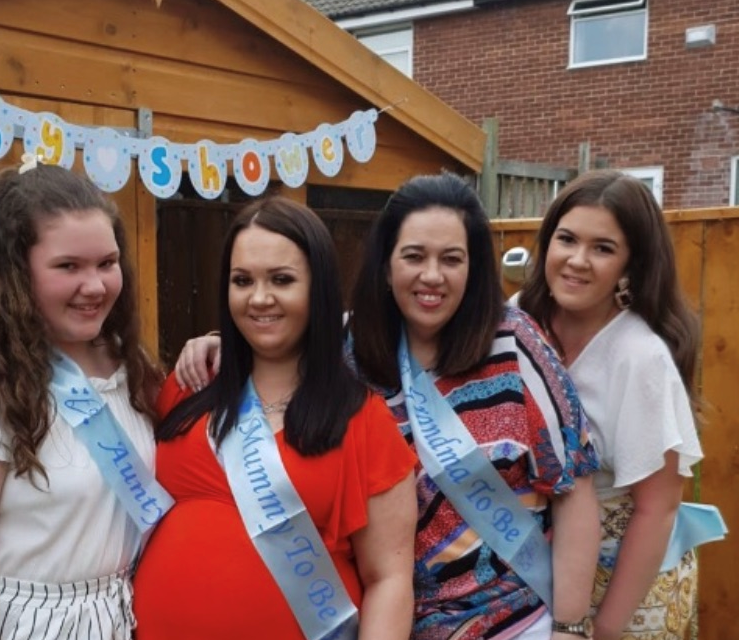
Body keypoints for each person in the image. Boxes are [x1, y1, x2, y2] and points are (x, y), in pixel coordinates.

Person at [174, 174, 601, 640]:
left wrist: (570, 628)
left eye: (451, 259)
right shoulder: (344, 348)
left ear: (475, 268)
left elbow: (573, 490)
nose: (431, 276)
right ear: (385, 264)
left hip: (510, 621)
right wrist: (215, 344)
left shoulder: (518, 347)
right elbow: (273, 337)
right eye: (414, 256)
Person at [0, 161, 165, 640]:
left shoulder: (129, 365)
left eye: (107, 262)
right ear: (15, 273)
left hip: (110, 617)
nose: (96, 286)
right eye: (68, 267)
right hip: (7, 623)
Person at [133, 195, 418, 640]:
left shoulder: (364, 421)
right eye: (242, 280)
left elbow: (390, 580)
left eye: (282, 280)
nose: (259, 298)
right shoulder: (188, 386)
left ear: (318, 289)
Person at [518, 170, 707, 640]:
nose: (577, 261)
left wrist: (603, 629)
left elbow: (657, 509)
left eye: (603, 248)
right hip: (536, 567)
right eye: (567, 239)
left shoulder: (641, 357)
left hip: (627, 584)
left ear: (630, 263)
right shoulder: (517, 319)